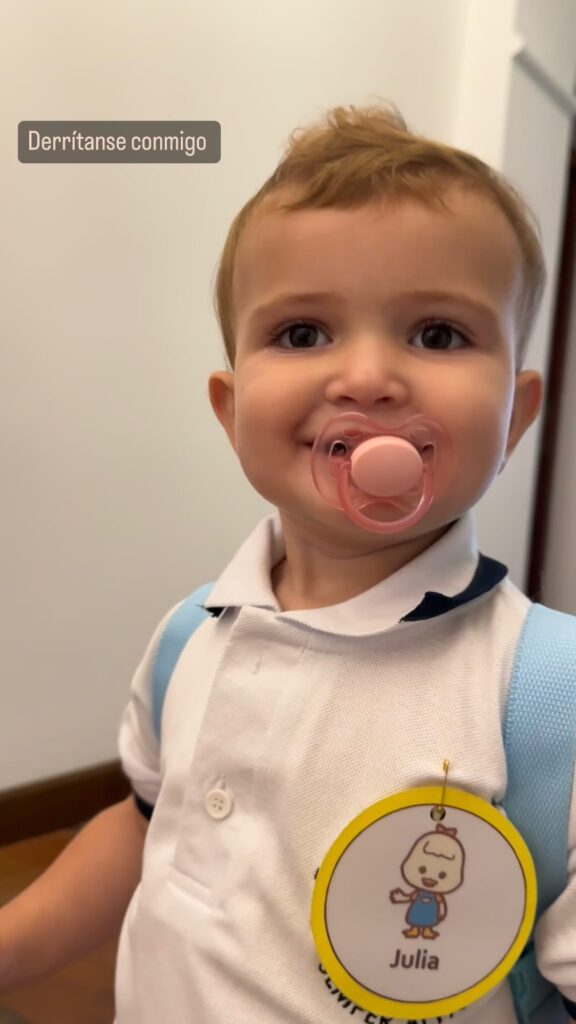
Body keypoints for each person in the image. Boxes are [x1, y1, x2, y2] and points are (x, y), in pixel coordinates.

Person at [0, 100, 573, 1024]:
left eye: (437, 333)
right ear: (231, 413)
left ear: (514, 416)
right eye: (303, 333)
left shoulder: (547, 696)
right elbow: (149, 824)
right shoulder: (190, 637)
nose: (367, 378)